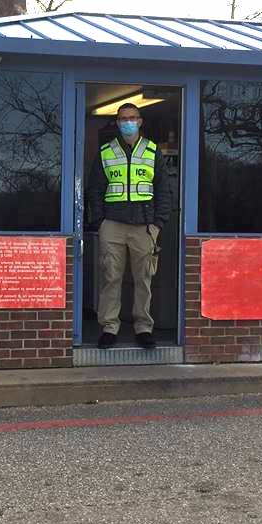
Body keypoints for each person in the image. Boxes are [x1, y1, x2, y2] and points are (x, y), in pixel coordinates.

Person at [85, 102, 172, 349]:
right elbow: (95, 190)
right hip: (112, 224)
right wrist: (100, 221)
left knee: (143, 279)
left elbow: (163, 191)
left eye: (132, 117)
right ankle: (109, 327)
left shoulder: (152, 151)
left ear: (140, 121)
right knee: (111, 277)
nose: (128, 122)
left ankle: (143, 328)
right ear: (117, 122)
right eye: (123, 119)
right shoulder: (106, 152)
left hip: (144, 226)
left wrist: (158, 224)